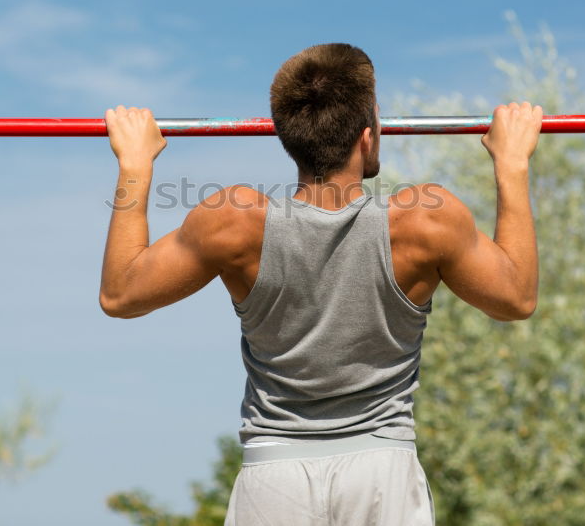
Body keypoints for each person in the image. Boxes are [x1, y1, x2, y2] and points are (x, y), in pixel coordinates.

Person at [99, 43, 542, 525]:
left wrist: (135, 167)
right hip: (382, 475)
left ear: (289, 138)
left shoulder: (233, 222)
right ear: (367, 137)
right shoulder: (424, 221)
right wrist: (512, 165)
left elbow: (120, 294)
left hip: (274, 476)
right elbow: (516, 297)